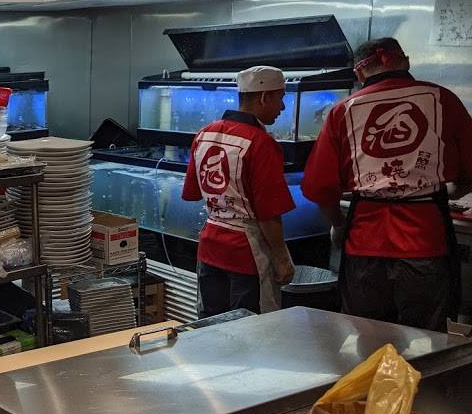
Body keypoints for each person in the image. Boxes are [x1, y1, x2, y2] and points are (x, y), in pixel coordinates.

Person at [302, 37, 472, 331]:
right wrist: (444, 192)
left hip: (364, 243)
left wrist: (338, 224)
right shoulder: (443, 99)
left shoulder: (342, 110)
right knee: (426, 339)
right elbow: (469, 172)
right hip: (426, 242)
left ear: (359, 72)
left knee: (367, 334)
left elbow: (319, 188)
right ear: (404, 61)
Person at [183, 65, 296, 318]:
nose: (282, 107)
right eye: (280, 98)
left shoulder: (204, 134)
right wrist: (282, 258)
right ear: (264, 97)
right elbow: (268, 214)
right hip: (246, 252)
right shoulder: (261, 142)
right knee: (250, 328)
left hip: (209, 245)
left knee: (211, 323)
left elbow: (192, 192)